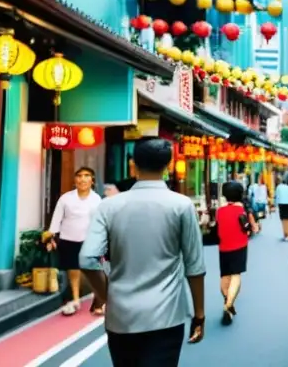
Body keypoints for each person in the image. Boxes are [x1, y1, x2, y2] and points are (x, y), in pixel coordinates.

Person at [80, 138, 206, 365]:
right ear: (168, 165)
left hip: (121, 317)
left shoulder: (109, 206)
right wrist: (199, 314)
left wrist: (106, 295)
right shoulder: (181, 205)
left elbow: (88, 259)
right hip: (166, 316)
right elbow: (194, 266)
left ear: (133, 165)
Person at [45, 166, 102, 316]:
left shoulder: (97, 199)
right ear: (75, 180)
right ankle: (76, 299)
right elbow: (56, 219)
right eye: (79, 176)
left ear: (92, 180)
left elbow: (100, 221)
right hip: (68, 238)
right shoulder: (66, 198)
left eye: (87, 176)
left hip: (89, 240)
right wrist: (51, 236)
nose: (83, 179)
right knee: (73, 270)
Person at [215, 181, 257, 326]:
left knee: (225, 276)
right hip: (240, 246)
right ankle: (228, 305)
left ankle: (227, 302)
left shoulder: (219, 211)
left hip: (224, 247)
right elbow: (254, 229)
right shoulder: (244, 210)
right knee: (236, 275)